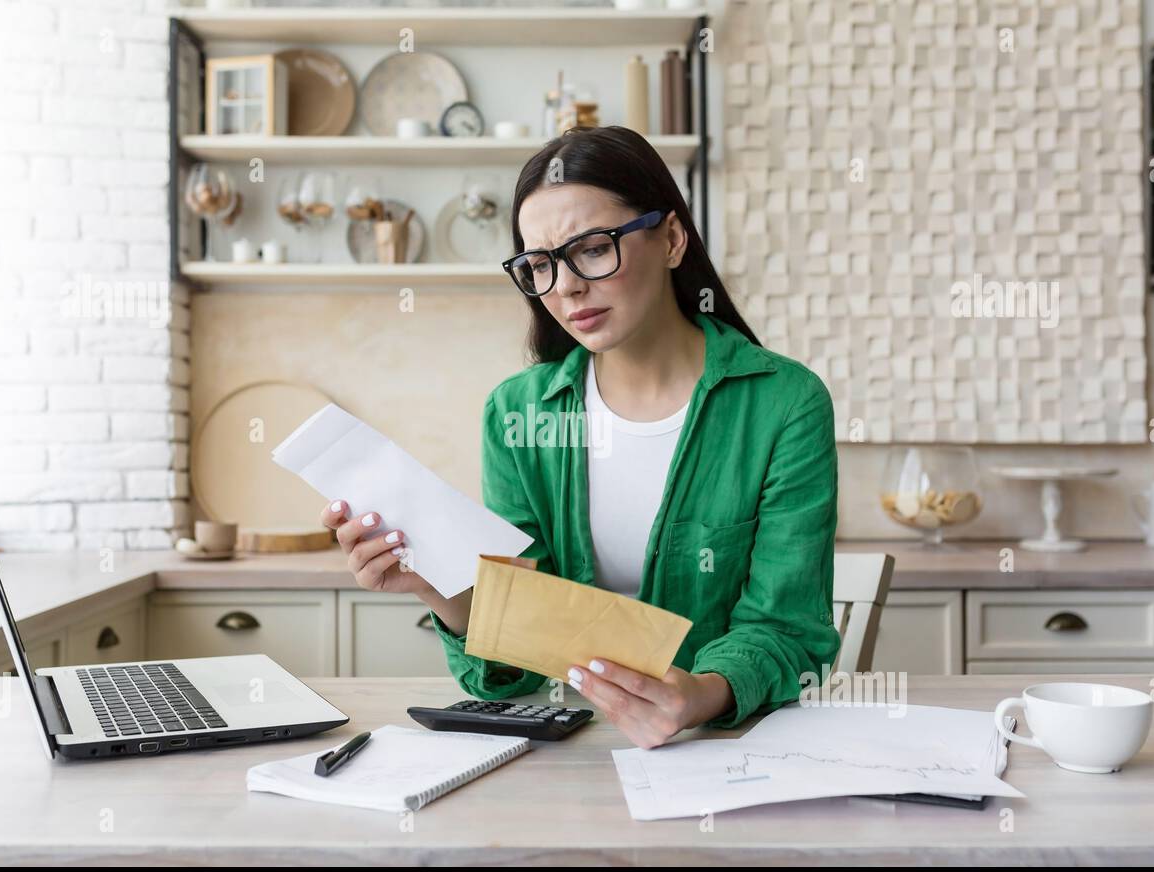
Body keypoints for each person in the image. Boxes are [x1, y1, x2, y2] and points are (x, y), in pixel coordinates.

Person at [321, 126, 839, 749]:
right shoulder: (518, 411)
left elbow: (787, 631)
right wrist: (438, 587)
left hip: (725, 748)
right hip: (568, 747)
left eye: (592, 249)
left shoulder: (784, 404)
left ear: (671, 239)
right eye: (539, 265)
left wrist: (696, 696)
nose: (565, 287)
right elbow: (511, 663)